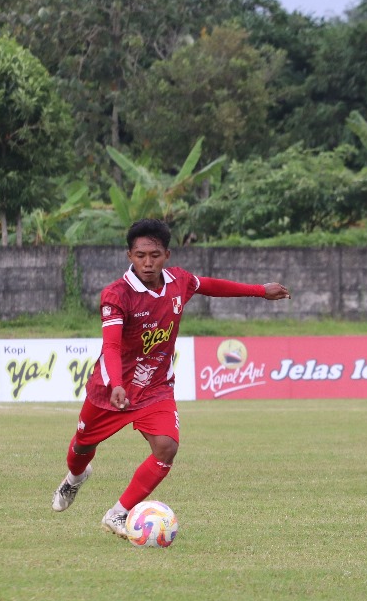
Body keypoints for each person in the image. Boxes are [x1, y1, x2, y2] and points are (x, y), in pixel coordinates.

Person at [52, 218, 290, 537]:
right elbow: (110, 345)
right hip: (111, 390)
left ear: (167, 255)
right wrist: (116, 384)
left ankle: (118, 513)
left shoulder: (179, 282)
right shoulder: (117, 295)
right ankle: (75, 479)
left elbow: (210, 286)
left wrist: (260, 291)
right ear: (129, 257)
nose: (147, 262)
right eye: (140, 255)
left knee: (166, 448)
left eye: (154, 255)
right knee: (82, 447)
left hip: (156, 388)